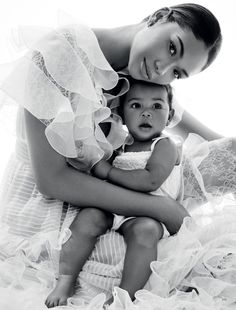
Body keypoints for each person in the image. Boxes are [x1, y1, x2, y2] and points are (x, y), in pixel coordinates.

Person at [1, 3, 234, 310]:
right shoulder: (59, 55)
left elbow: (183, 122)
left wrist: (228, 150)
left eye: (177, 72)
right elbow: (51, 181)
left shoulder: (142, 69)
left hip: (116, 187)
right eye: (172, 48)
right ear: (158, 17)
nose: (163, 69)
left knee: (232, 157)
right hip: (56, 207)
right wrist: (162, 208)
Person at [46, 79, 184, 307]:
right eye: (136, 106)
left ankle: (125, 295)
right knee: (88, 217)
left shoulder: (164, 145)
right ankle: (65, 280)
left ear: (169, 116)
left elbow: (150, 180)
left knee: (146, 231)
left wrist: (108, 171)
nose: (146, 113)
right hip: (113, 207)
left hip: (148, 213)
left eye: (157, 106)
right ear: (122, 113)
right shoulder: (119, 144)